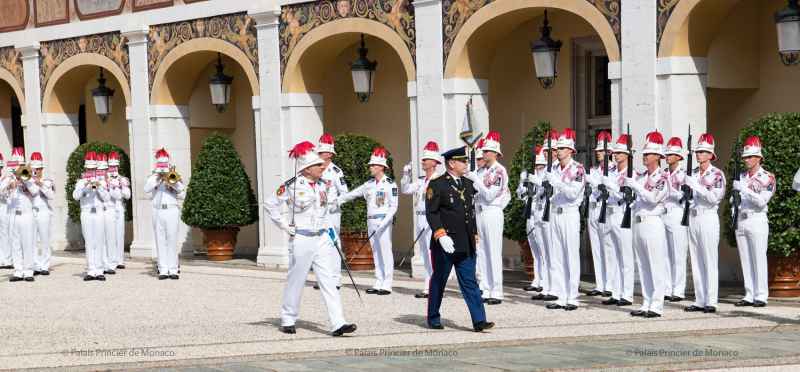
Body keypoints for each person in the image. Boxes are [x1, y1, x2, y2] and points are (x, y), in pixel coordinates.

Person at [264, 141, 357, 337]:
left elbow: (326, 212)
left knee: (329, 281)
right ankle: (288, 318)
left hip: (322, 237)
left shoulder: (325, 185)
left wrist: (332, 236)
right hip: (302, 238)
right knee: (296, 279)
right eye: (318, 165)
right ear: (307, 169)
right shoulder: (292, 185)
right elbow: (270, 204)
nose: (322, 167)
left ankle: (338, 322)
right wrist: (284, 225)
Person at [426, 146, 494, 332]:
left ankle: (479, 320)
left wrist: (474, 235)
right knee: (440, 280)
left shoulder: (468, 183)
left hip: (466, 243)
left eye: (465, 161)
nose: (466, 164)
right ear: (451, 163)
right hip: (446, 243)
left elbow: (475, 208)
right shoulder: (437, 184)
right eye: (462, 161)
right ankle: (433, 317)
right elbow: (432, 213)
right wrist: (440, 235)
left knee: (470, 282)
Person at [339, 147, 398, 294]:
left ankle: (387, 283)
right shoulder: (369, 184)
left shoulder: (390, 184)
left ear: (380, 167)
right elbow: (352, 194)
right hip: (370, 221)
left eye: (372, 165)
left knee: (385, 252)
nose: (370, 167)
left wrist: (384, 223)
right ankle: (378, 281)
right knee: (376, 252)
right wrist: (335, 200)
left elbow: (393, 206)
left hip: (383, 221)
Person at [627, 132, 669, 318]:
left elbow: (653, 198)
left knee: (655, 265)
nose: (645, 157)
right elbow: (640, 200)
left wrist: (635, 187)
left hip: (653, 223)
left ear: (658, 157)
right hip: (639, 222)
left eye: (648, 154)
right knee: (643, 265)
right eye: (644, 154)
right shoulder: (642, 177)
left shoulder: (663, 178)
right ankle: (646, 302)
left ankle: (657, 305)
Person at [543, 129, 585, 311]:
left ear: (570, 150)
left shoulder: (578, 169)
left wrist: (557, 182)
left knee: (571, 255)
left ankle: (573, 297)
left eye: (561, 148)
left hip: (569, 213)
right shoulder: (553, 169)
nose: (558, 151)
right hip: (556, 213)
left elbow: (573, 193)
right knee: (557, 256)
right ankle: (561, 295)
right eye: (557, 148)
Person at [683, 133, 726, 313]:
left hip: (708, 217)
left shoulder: (717, 174)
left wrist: (696, 186)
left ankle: (711, 300)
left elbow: (714, 198)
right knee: (696, 259)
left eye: (702, 152)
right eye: (698, 151)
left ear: (710, 155)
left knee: (709, 259)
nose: (699, 154)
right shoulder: (692, 173)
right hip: (693, 216)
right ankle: (699, 299)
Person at [466, 131, 510, 305]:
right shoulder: (482, 171)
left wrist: (475, 179)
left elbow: (491, 194)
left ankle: (497, 290)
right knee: (482, 251)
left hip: (492, 211)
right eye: (483, 151)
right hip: (480, 211)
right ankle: (485, 287)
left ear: (495, 153)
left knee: (493, 251)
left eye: (486, 151)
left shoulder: (499, 171)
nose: (483, 154)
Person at [733, 136, 775, 308]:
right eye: (745, 157)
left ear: (759, 158)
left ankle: (761, 295)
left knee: (758, 257)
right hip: (742, 219)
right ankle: (749, 293)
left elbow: (761, 201)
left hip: (757, 219)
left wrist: (743, 189)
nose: (746, 160)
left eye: (750, 157)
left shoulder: (767, 177)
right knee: (746, 259)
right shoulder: (741, 176)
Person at [401, 140, 442, 299]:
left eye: (426, 160)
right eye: (423, 159)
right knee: (425, 255)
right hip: (420, 220)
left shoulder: (438, 180)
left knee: (433, 255)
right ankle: (428, 285)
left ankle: (434, 286)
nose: (423, 162)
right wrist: (406, 174)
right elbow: (405, 189)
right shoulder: (420, 181)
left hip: (431, 221)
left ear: (434, 162)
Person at [600, 135, 634, 307]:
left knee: (625, 255)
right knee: (612, 254)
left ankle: (627, 294)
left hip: (623, 214)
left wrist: (611, 186)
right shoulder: (611, 172)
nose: (616, 155)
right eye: (615, 152)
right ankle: (615, 291)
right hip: (610, 213)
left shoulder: (631, 173)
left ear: (627, 154)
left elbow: (626, 195)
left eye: (620, 152)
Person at [144, 148, 185, 280]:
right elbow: (146, 189)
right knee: (160, 240)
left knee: (172, 240)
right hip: (157, 210)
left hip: (171, 210)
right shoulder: (153, 177)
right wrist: (157, 178)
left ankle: (173, 269)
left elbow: (182, 193)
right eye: (160, 165)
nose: (162, 168)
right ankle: (163, 269)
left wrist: (171, 182)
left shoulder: (174, 176)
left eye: (164, 165)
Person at [313, 134, 348, 290]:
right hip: (318, 212)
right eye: (319, 153)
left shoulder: (336, 171)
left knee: (334, 244)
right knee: (319, 245)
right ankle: (322, 277)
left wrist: (335, 203)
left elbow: (344, 193)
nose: (321, 155)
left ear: (330, 154)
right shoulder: (315, 169)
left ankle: (335, 278)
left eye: (324, 153)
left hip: (332, 213)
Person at [3, 147, 38, 282]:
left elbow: (35, 192)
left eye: (19, 166)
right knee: (15, 244)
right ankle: (18, 270)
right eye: (15, 166)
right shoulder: (9, 178)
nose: (16, 169)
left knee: (27, 243)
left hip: (27, 215)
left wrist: (25, 181)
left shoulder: (28, 177)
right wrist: (9, 184)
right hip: (13, 215)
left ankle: (28, 271)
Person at [585, 131, 613, 297]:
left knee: (607, 247)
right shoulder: (594, 169)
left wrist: (592, 181)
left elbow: (606, 187)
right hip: (593, 209)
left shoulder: (612, 170)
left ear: (609, 152)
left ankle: (610, 284)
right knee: (596, 248)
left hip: (605, 209)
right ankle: (600, 283)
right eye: (597, 151)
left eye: (601, 151)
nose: (597, 153)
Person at [517, 145, 548, 295]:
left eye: (541, 165)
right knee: (534, 248)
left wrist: (536, 183)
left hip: (541, 212)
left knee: (543, 249)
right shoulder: (529, 175)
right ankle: (537, 279)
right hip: (530, 212)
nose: (539, 168)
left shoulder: (545, 176)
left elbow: (544, 193)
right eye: (537, 165)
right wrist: (523, 188)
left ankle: (545, 281)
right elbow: (519, 193)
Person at [73, 151, 109, 281]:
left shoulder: (102, 182)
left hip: (99, 212)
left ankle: (99, 270)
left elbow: (106, 198)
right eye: (89, 169)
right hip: (87, 212)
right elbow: (75, 196)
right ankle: (90, 269)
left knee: (99, 241)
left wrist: (99, 187)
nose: (91, 171)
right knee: (89, 241)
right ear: (86, 169)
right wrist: (85, 188)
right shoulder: (81, 182)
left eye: (93, 169)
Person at [663, 137, 688, 302]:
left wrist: (670, 189)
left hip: (678, 212)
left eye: (671, 154)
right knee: (664, 253)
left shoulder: (685, 174)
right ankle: (666, 288)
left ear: (679, 156)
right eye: (667, 153)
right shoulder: (663, 173)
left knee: (678, 253)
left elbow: (684, 196)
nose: (668, 156)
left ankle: (678, 290)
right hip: (663, 213)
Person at [29, 152, 55, 276]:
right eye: (34, 169)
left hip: (44, 212)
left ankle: (45, 265)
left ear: (42, 169)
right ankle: (35, 265)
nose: (37, 171)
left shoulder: (48, 180)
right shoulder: (28, 180)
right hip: (31, 212)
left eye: (39, 169)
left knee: (45, 240)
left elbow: (51, 196)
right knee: (33, 240)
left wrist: (40, 183)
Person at [107, 151, 131, 270]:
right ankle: (110, 259)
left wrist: (121, 186)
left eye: (115, 166)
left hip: (119, 208)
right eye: (111, 166)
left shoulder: (123, 179)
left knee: (119, 234)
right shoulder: (105, 179)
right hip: (108, 208)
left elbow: (127, 195)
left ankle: (120, 260)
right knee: (109, 235)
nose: (113, 168)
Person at [0, 153, 12, 270]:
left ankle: (8, 259)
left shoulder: (6, 178)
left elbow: (2, 192)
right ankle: (1, 258)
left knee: (5, 233)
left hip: (4, 207)